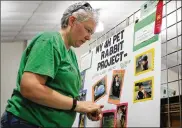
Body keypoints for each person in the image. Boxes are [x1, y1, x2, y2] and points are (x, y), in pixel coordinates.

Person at [1, 2, 104, 128]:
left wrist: (84, 108)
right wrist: (77, 105)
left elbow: (63, 95)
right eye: (88, 30)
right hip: (28, 122)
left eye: (92, 33)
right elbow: (30, 87)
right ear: (72, 21)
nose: (89, 37)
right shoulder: (50, 41)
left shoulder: (70, 54)